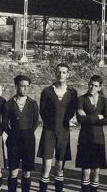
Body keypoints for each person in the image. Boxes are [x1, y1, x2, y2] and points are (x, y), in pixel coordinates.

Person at [37, 63, 78, 192]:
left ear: (68, 74)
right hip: (49, 131)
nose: (61, 74)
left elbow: (72, 110)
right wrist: (52, 123)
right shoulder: (47, 91)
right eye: (59, 72)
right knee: (46, 167)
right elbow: (42, 111)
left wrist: (65, 121)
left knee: (60, 166)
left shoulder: (72, 92)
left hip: (64, 132)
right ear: (55, 73)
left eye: (64, 72)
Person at [2, 75, 39, 192]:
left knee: (27, 172)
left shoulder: (33, 103)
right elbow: (4, 124)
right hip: (14, 141)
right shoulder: (8, 104)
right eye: (23, 86)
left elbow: (35, 122)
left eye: (28, 86)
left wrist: (27, 133)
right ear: (16, 86)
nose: (26, 89)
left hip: (29, 140)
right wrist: (14, 134)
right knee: (13, 172)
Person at [75, 75, 107, 192]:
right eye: (91, 84)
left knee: (96, 171)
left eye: (95, 86)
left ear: (100, 88)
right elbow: (80, 119)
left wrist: (89, 117)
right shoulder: (81, 99)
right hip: (85, 138)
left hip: (98, 139)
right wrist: (97, 117)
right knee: (86, 171)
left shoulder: (104, 101)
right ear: (88, 84)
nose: (92, 87)